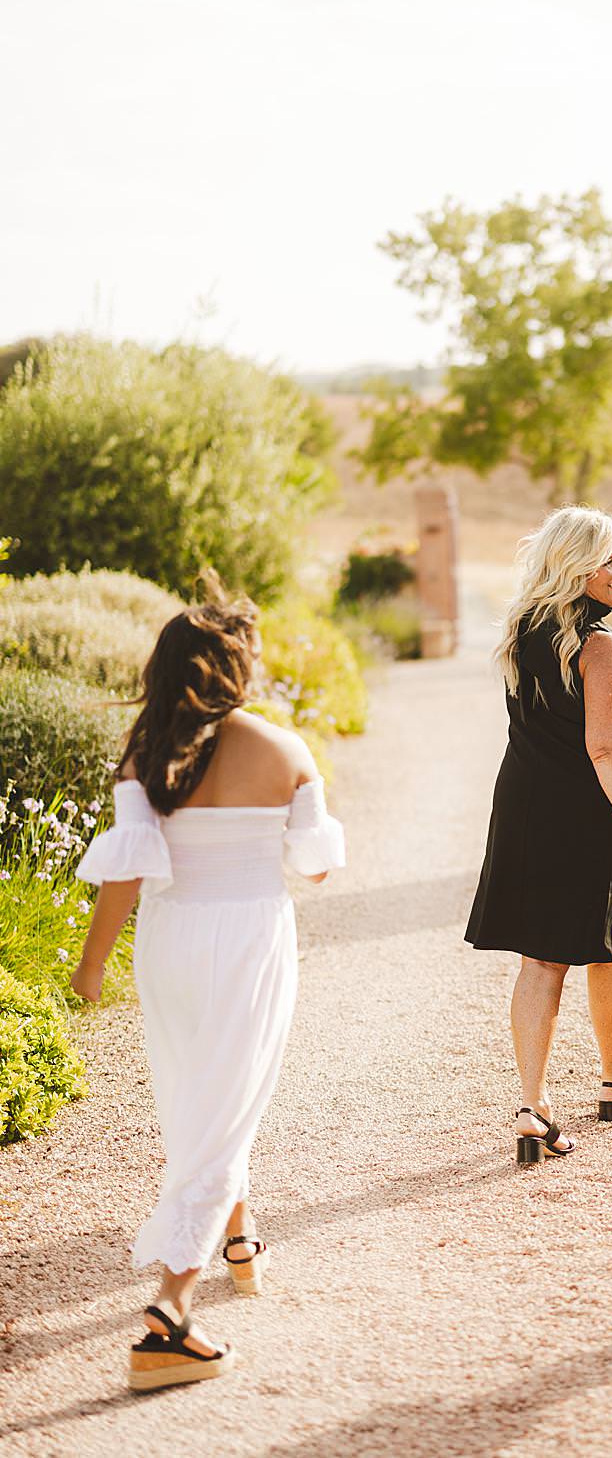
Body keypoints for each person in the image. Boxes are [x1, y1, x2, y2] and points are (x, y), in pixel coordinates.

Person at [70, 583, 345, 1391]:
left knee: (203, 1099)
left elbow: (125, 877)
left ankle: (238, 1236)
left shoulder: (147, 756)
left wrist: (91, 967)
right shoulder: (286, 750)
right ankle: (169, 1318)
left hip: (172, 942)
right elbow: (317, 864)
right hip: (252, 941)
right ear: (238, 667)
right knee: (226, 1107)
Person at [465, 507, 612, 1165]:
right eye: (609, 558)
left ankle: (532, 1104)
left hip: (524, 809)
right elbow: (607, 749)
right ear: (576, 566)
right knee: (609, 948)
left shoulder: (522, 632)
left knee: (539, 959)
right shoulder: (601, 646)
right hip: (590, 813)